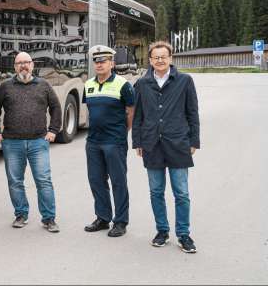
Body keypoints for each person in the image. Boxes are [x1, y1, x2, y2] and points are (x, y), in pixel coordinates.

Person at [132, 41, 200, 253]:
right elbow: (138, 116)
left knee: (181, 192)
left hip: (178, 143)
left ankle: (183, 234)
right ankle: (162, 231)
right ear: (150, 60)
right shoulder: (142, 84)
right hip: (152, 144)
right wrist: (137, 141)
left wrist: (194, 140)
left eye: (164, 56)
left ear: (171, 58)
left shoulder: (185, 81)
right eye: (156, 57)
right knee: (156, 191)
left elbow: (192, 113)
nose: (160, 60)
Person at [0, 52, 62, 232]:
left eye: (27, 62)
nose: (23, 66)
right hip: (12, 142)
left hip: (38, 142)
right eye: (19, 63)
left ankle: (49, 218)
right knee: (15, 181)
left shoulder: (44, 85)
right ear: (15, 67)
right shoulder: (6, 86)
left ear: (32, 65)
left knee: (43, 180)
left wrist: (53, 130)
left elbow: (55, 107)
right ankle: (21, 214)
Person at [82, 45, 135, 238]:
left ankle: (120, 221)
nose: (99, 64)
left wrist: (122, 132)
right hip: (93, 142)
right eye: (96, 61)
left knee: (118, 182)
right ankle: (103, 217)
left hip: (114, 141)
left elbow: (130, 111)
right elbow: (90, 111)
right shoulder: (88, 85)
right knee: (96, 180)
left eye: (103, 61)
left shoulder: (123, 84)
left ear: (112, 63)